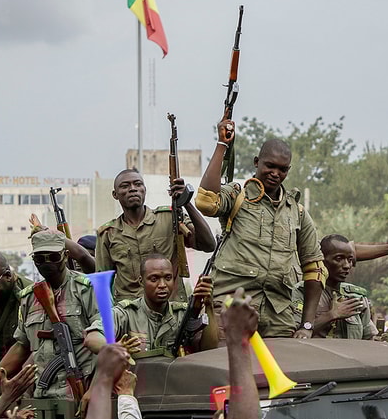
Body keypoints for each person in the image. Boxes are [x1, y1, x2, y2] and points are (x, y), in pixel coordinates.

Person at [196, 126, 325, 339]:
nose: (275, 174)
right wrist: (222, 145)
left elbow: (315, 268)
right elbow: (205, 202)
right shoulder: (238, 195)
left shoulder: (297, 212)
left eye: (282, 169)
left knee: (277, 372)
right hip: (231, 307)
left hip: (278, 319)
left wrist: (307, 325)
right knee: (227, 368)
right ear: (257, 162)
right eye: (270, 166)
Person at [0, 230, 101, 399]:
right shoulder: (29, 297)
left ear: (65, 256)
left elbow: (106, 344)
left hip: (83, 391)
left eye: (53, 257)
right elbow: (21, 346)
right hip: (44, 393)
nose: (46, 263)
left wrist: (95, 389)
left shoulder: (87, 289)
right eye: (39, 258)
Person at [96, 168, 216, 301]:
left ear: (144, 190)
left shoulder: (169, 218)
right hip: (130, 315)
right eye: (125, 186)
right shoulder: (108, 234)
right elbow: (102, 285)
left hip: (171, 311)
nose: (132, 189)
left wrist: (186, 202)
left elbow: (208, 244)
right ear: (115, 194)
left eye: (138, 184)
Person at [85, 254, 215, 355]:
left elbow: (209, 348)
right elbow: (92, 337)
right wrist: (113, 349)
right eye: (154, 279)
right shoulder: (126, 313)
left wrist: (209, 306)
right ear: (141, 281)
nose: (162, 285)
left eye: (168, 278)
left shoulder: (182, 314)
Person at [292, 234, 374, 339]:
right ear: (321, 259)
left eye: (350, 260)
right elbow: (294, 336)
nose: (347, 265)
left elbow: (369, 339)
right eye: (339, 258)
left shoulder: (356, 297)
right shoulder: (300, 293)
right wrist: (331, 315)